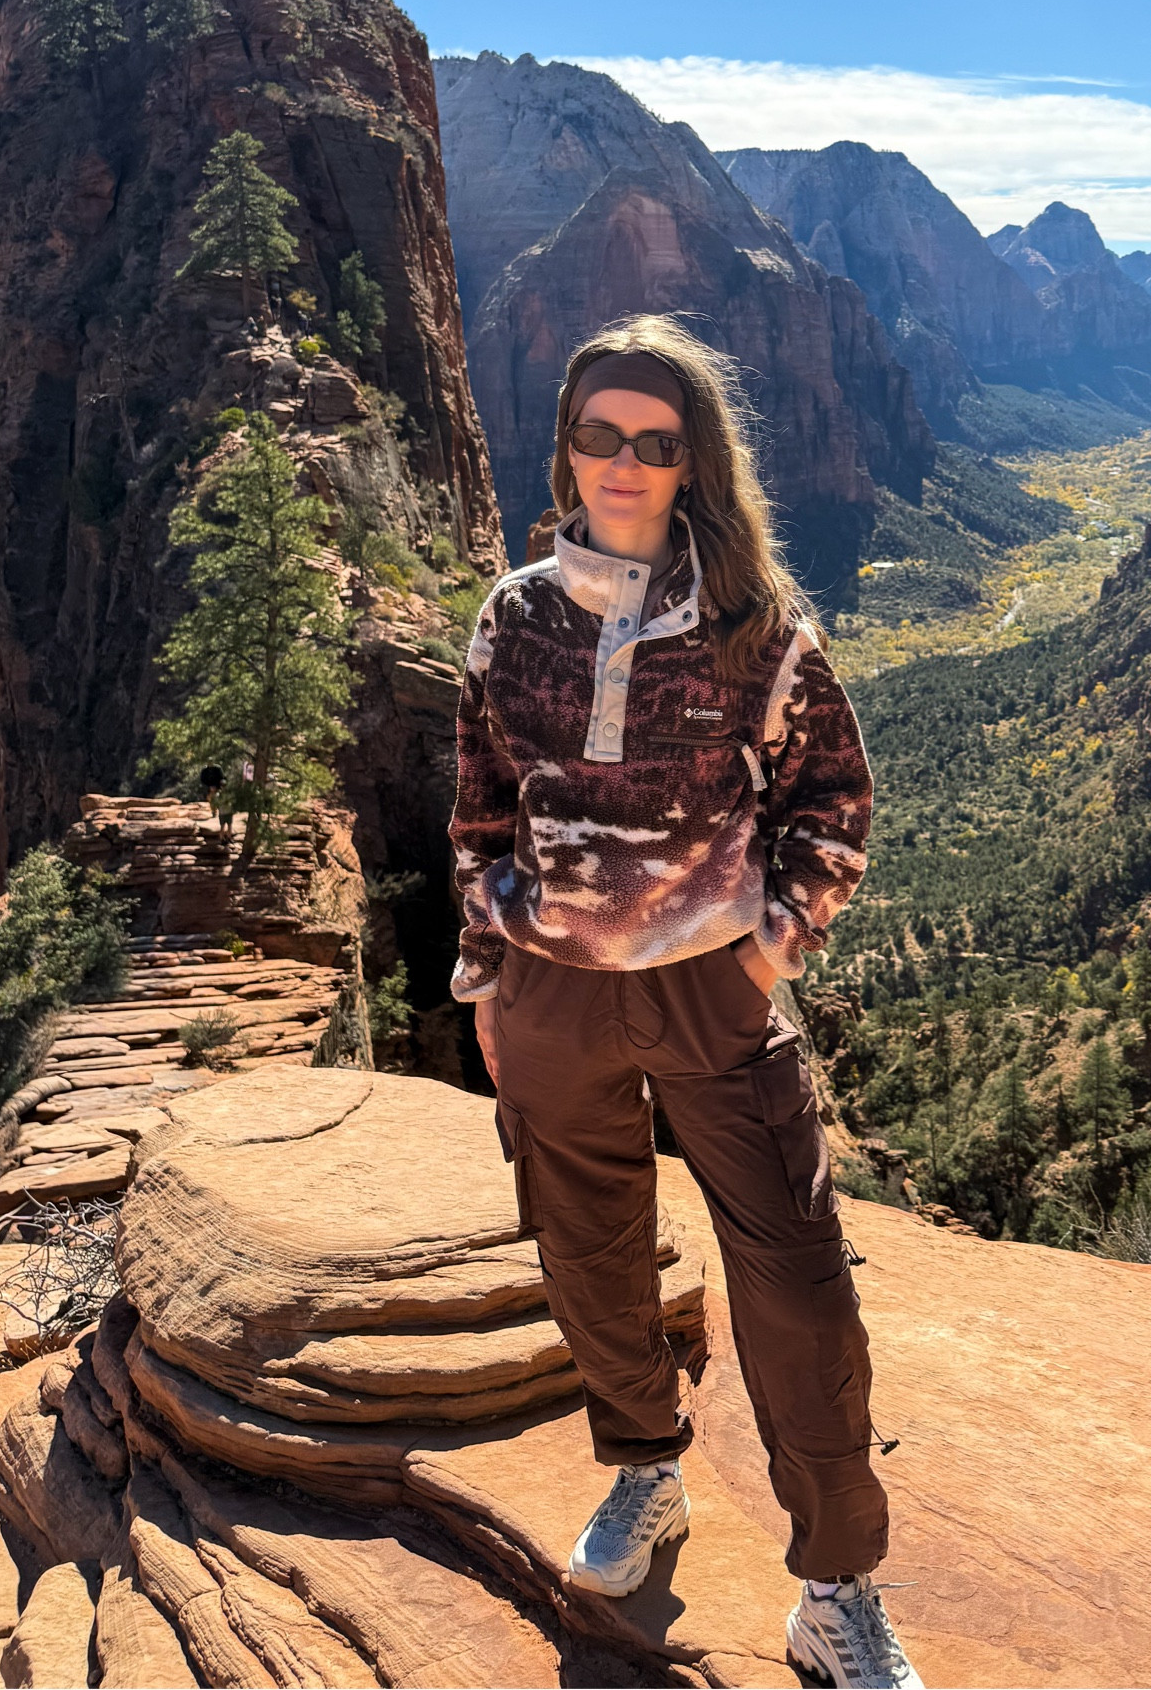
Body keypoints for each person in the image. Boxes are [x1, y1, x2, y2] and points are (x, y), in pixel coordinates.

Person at [449, 315, 922, 1689]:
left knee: (798, 1284)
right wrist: (490, 978)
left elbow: (834, 803)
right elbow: (480, 809)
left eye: (654, 444)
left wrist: (764, 954)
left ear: (690, 465)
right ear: (565, 448)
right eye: (599, 435)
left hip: (715, 1003)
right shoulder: (512, 619)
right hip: (550, 1002)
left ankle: (836, 1585)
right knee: (590, 1257)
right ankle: (643, 1473)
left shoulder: (752, 629)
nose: (622, 463)